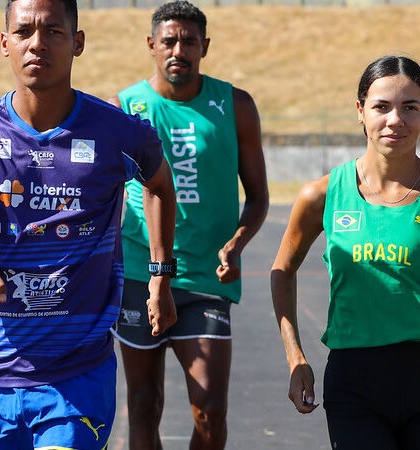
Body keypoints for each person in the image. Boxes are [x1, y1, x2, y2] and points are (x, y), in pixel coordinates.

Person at [0, 0, 177, 448]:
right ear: (5, 43)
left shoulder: (118, 133)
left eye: (53, 32)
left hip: (77, 374)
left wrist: (159, 275)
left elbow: (160, 184)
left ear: (77, 43)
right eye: (23, 32)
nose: (36, 44)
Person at [271, 56, 420, 449]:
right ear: (360, 110)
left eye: (410, 107)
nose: (395, 120)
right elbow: (282, 269)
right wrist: (295, 356)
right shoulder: (321, 195)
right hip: (354, 382)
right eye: (381, 106)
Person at [108, 2, 268, 449]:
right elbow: (103, 196)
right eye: (169, 41)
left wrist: (236, 244)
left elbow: (257, 198)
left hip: (204, 278)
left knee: (210, 412)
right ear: (152, 46)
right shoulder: (124, 107)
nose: (179, 49)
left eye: (189, 41)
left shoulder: (234, 104)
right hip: (141, 275)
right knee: (143, 404)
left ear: (205, 47)